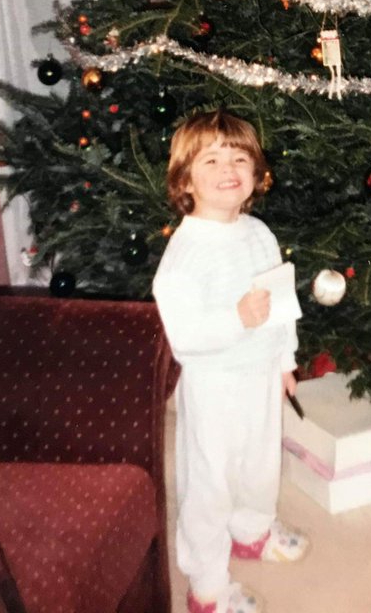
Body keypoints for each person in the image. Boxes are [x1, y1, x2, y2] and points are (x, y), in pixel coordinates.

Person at [153, 109, 308, 613]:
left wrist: (285, 359)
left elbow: (280, 303)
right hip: (215, 383)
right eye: (211, 159)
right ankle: (208, 586)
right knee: (210, 482)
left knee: (262, 464)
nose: (228, 169)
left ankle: (252, 531)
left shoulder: (257, 232)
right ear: (185, 179)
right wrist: (236, 317)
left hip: (261, 373)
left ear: (256, 173)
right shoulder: (185, 253)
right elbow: (185, 338)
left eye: (239, 158)